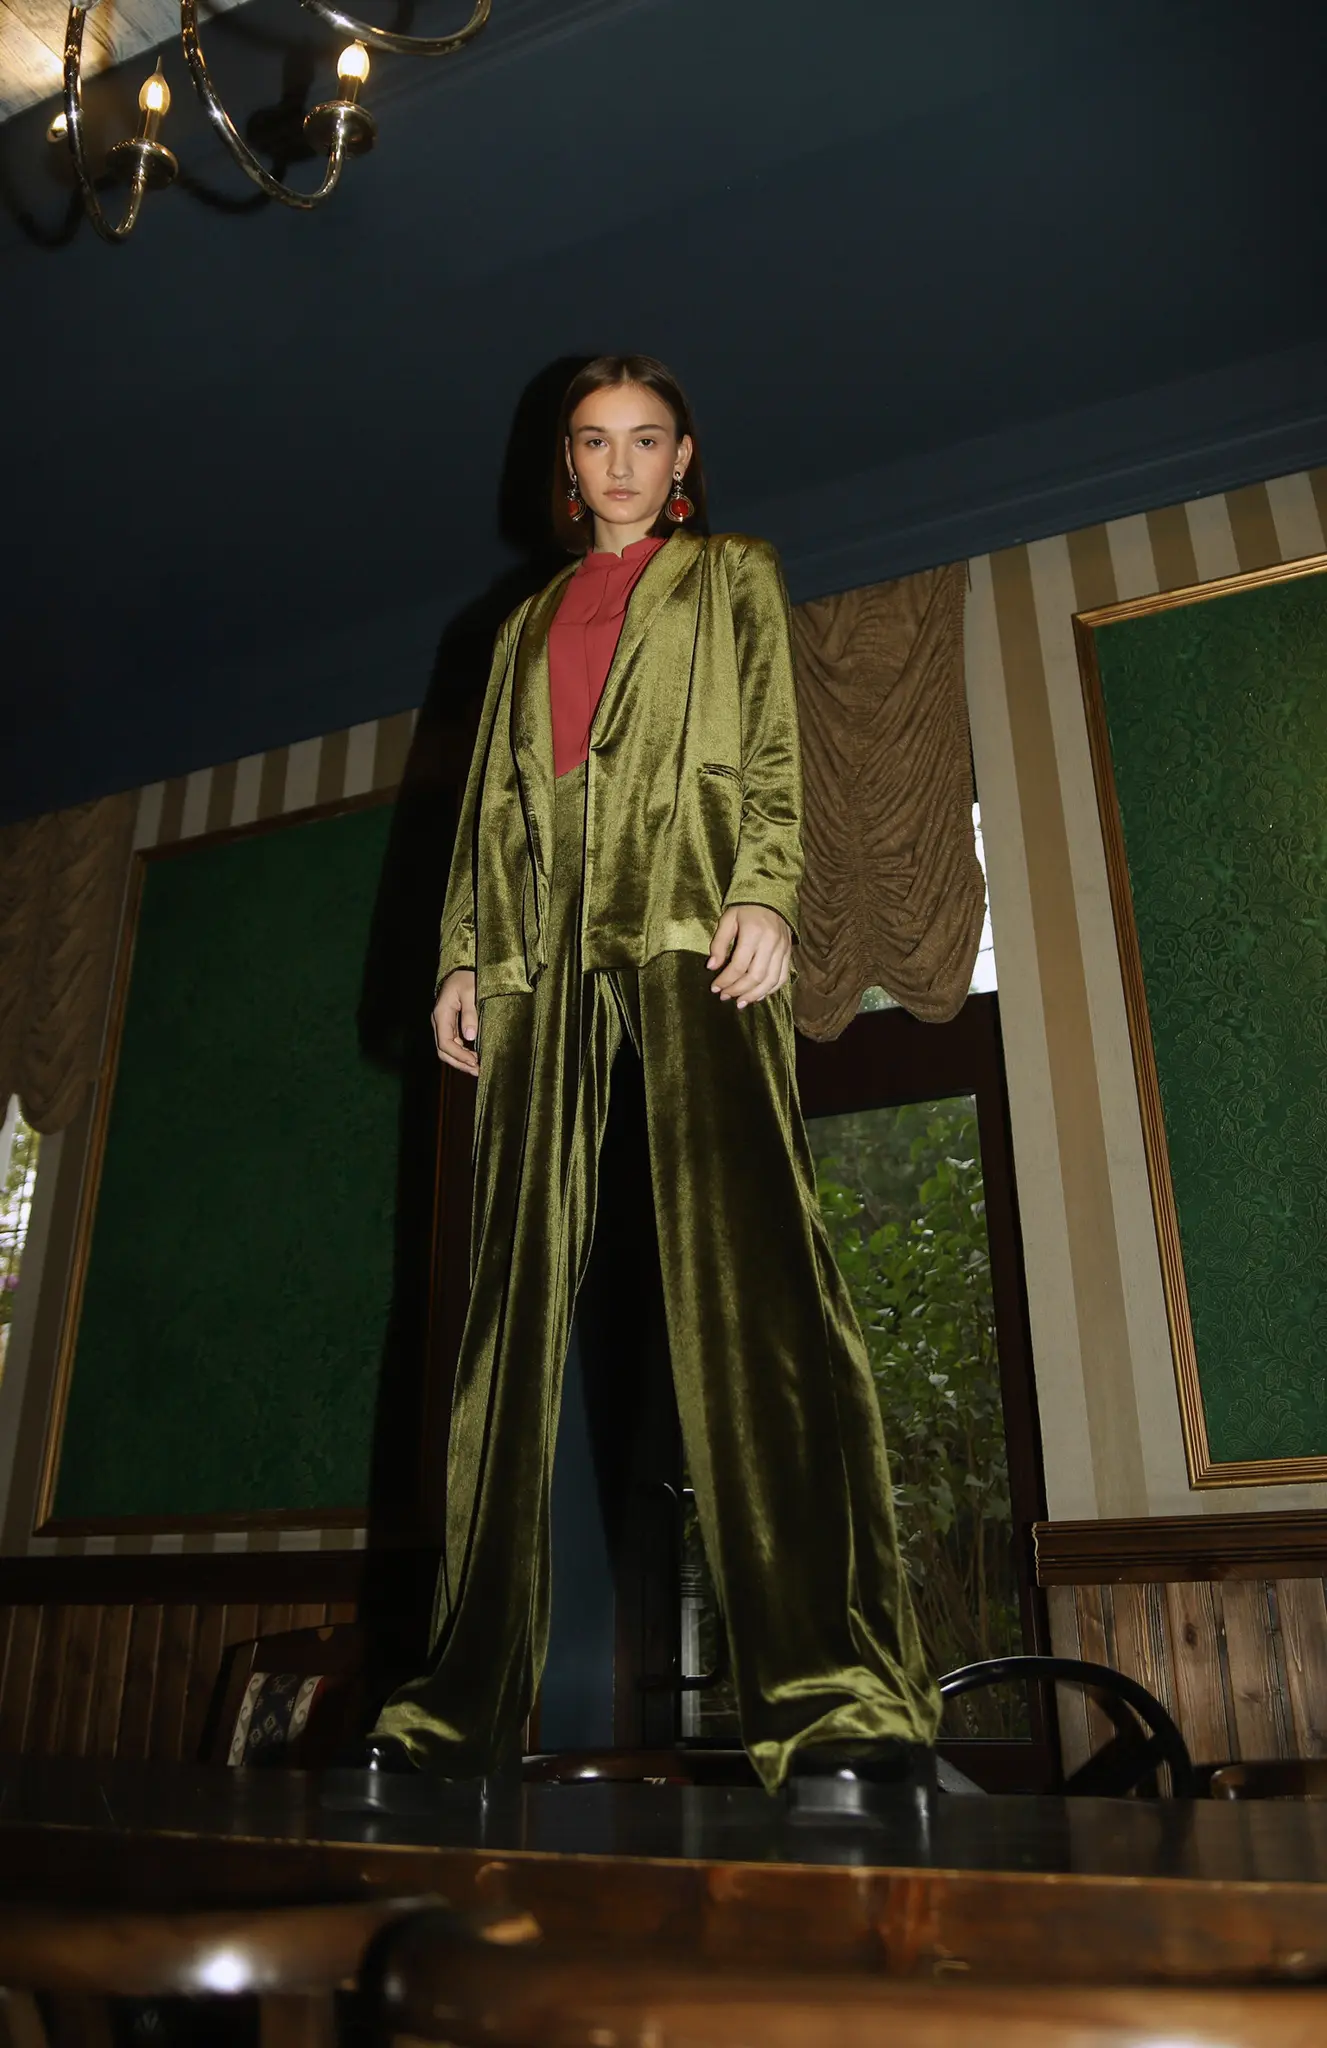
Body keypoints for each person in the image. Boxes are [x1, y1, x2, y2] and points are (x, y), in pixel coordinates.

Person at [368, 355, 939, 1798]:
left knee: (745, 1271)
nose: (617, 464)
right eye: (592, 441)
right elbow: (491, 802)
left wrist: (767, 890)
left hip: (691, 916)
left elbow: (771, 746)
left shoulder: (733, 575)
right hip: (534, 947)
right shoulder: (517, 626)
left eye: (643, 439)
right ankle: (457, 1705)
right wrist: (462, 953)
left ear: (683, 458)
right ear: (567, 465)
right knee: (508, 1300)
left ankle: (827, 1691)